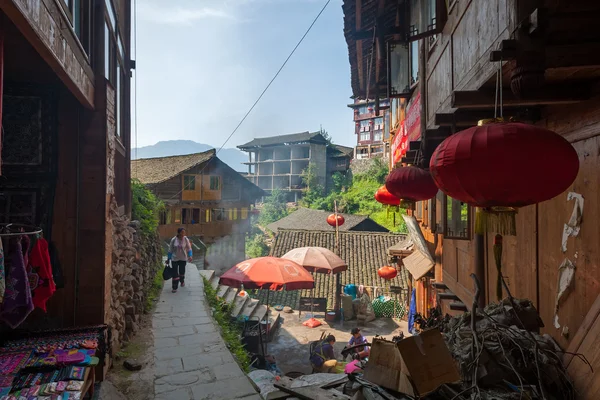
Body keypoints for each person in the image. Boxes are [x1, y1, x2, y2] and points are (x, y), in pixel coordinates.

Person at [167, 227, 193, 293]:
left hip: (183, 258)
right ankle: (174, 287)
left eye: (184, 232)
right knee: (175, 273)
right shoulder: (173, 239)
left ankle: (182, 281)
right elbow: (170, 250)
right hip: (174, 258)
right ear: (178, 233)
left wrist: (190, 256)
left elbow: (189, 248)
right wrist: (168, 258)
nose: (183, 234)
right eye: (182, 232)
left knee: (182, 272)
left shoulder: (185, 239)